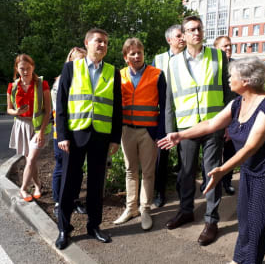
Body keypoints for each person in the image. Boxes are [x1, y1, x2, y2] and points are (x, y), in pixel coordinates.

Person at [158, 57, 265, 264]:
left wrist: (222, 170)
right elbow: (211, 123)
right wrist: (180, 135)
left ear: (246, 80)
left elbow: (250, 147)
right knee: (245, 221)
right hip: (249, 170)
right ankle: (239, 260)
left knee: (257, 225)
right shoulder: (238, 103)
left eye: (232, 76)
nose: (228, 79)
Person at [164, 15, 234, 246]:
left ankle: (211, 220)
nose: (197, 32)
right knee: (185, 172)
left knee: (212, 171)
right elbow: (169, 101)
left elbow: (228, 91)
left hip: (213, 124)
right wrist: (169, 131)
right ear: (182, 36)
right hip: (186, 127)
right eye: (192, 29)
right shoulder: (172, 63)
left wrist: (228, 123)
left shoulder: (217, 56)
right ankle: (186, 210)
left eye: (200, 29)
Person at [55, 28, 122, 249]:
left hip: (101, 136)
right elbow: (61, 105)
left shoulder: (113, 72)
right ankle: (64, 229)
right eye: (98, 41)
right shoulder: (71, 68)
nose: (102, 45)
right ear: (87, 43)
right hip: (74, 136)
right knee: (69, 183)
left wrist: (115, 139)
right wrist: (62, 135)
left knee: (96, 184)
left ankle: (94, 226)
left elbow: (117, 108)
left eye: (105, 42)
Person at [113, 38, 166, 230]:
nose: (136, 56)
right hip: (127, 130)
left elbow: (164, 104)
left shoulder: (157, 74)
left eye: (139, 52)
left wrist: (160, 132)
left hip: (149, 131)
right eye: (132, 53)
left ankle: (145, 209)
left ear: (144, 54)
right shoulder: (119, 75)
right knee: (130, 170)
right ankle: (131, 208)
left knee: (148, 171)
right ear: (126, 57)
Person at [7, 54, 52, 202]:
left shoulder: (41, 84)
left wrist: (40, 132)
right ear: (16, 69)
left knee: (31, 158)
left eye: (28, 68)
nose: (25, 71)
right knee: (30, 160)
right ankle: (38, 185)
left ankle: (23, 189)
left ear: (33, 67)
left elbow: (48, 110)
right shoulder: (13, 86)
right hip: (21, 125)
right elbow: (9, 109)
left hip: (38, 127)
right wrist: (16, 112)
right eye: (22, 68)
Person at [51, 47, 87, 218]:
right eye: (77, 60)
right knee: (61, 168)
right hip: (62, 134)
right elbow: (58, 111)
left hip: (79, 133)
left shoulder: (85, 80)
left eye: (83, 60)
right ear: (69, 61)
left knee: (77, 169)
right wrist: (62, 135)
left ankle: (74, 199)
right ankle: (58, 201)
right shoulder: (60, 81)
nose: (80, 63)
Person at [152, 24, 185, 208]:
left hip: (185, 112)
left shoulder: (192, 58)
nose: (182, 38)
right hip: (164, 112)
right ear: (169, 40)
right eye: (178, 35)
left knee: (184, 156)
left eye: (183, 35)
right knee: (161, 154)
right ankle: (159, 193)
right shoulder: (159, 59)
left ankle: (183, 193)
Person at [213, 36, 236, 196]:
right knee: (212, 154)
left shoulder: (236, 66)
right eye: (224, 46)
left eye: (230, 46)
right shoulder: (212, 65)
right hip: (214, 117)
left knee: (229, 152)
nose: (228, 49)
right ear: (216, 48)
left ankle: (226, 182)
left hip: (233, 116)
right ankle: (211, 182)